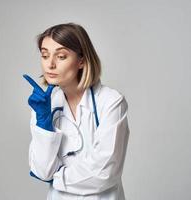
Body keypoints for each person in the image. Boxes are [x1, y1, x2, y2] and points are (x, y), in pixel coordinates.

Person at [23, 22, 130, 200]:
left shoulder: (111, 102)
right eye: (44, 55)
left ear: (81, 60)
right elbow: (42, 170)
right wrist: (44, 123)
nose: (50, 64)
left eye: (61, 56)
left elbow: (105, 174)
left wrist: (55, 176)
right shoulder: (44, 106)